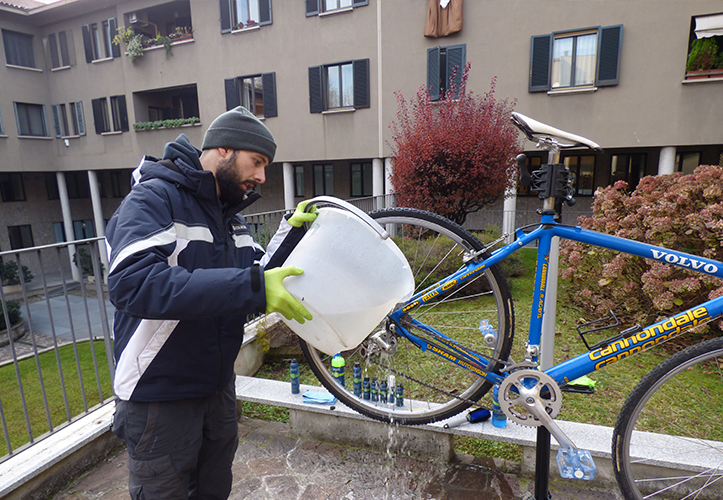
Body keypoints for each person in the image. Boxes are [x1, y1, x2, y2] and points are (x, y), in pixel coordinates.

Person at [106, 106, 315, 500]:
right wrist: (253, 286)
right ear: (223, 150)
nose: (261, 177)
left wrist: (292, 232)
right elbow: (132, 283)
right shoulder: (153, 198)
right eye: (257, 162)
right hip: (160, 396)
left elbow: (258, 273)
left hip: (216, 391)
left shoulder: (229, 218)